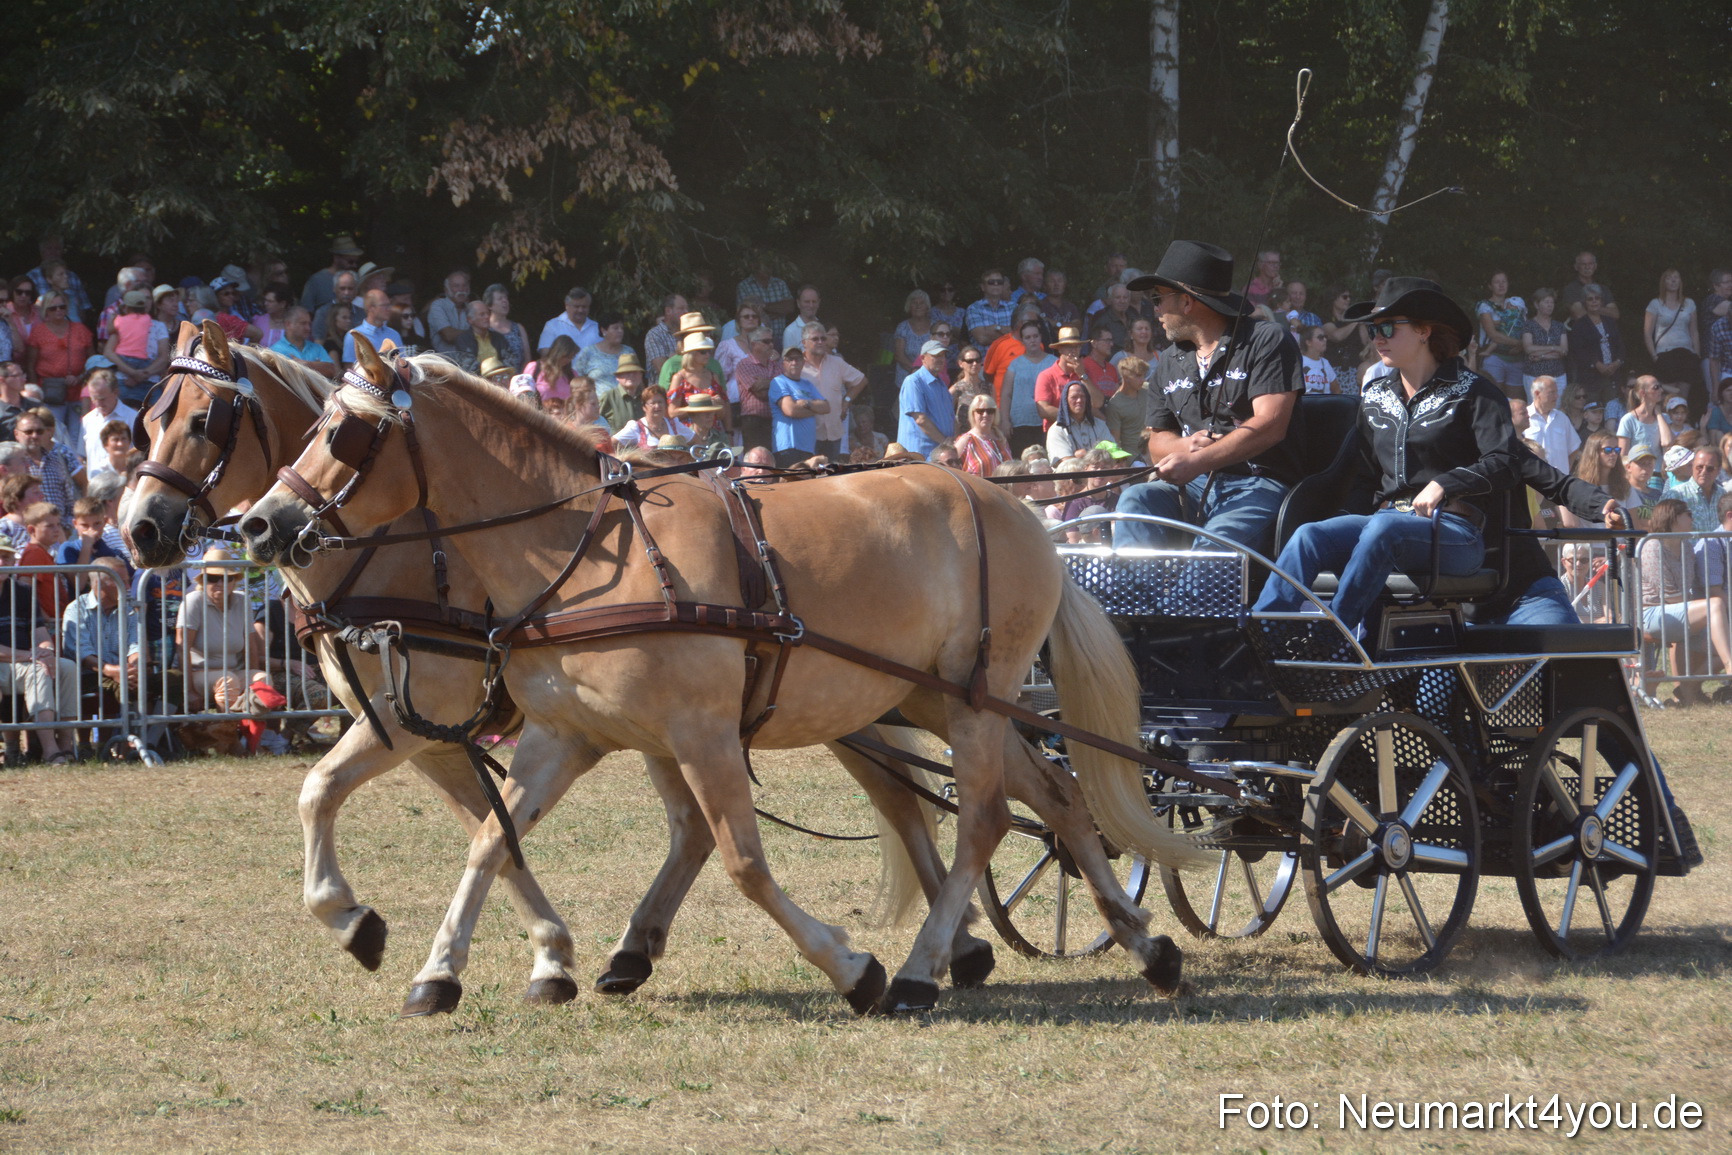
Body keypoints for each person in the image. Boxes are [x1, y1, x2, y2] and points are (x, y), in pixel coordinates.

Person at [1254, 277, 1516, 633]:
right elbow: (1358, 474)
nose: (1377, 337)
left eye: (1388, 327)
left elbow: (1505, 462)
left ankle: (1336, 637)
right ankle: (1266, 632)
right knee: (1309, 536)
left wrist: (1445, 484)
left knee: (1383, 528)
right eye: (1374, 328)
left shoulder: (1477, 393)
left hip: (1456, 532)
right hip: (1385, 523)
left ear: (1424, 331)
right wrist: (1342, 523)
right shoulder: (1375, 395)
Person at [1113, 241, 1302, 551]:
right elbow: (1157, 440)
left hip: (1258, 484)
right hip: (1192, 486)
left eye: (1158, 298)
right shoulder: (1168, 361)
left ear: (1187, 303)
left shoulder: (1265, 340)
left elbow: (1271, 423)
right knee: (1135, 497)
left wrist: (1199, 460)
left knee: (1210, 555)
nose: (1155, 309)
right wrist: (1184, 446)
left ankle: (1187, 599)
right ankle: (1134, 596)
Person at [1639, 498, 1732, 707]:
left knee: (1724, 630)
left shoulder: (1687, 548)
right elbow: (1669, 595)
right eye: (1687, 513)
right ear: (1672, 518)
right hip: (1650, 615)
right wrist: (1701, 610)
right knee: (1715, 605)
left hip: (1677, 611)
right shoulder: (1652, 546)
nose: (1692, 517)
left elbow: (1684, 594)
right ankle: (1729, 666)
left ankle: (1688, 689)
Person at [0, 560, 81, 764]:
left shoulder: (23, 591)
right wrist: (31, 656)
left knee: (68, 667)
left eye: (6, 556)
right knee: (38, 670)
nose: (2, 562)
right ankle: (49, 750)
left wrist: (47, 651)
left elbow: (40, 633)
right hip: (14, 662)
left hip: (24, 661)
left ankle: (66, 746)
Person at [61, 554, 140, 722]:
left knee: (173, 679)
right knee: (123, 686)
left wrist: (134, 668)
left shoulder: (130, 609)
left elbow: (135, 645)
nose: (127, 586)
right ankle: (110, 744)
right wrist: (112, 671)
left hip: (123, 672)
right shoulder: (76, 609)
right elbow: (81, 653)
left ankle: (150, 739)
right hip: (87, 675)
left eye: (128, 580)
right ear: (99, 584)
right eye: (120, 581)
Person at [798, 325, 863, 459]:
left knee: (830, 476)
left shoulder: (836, 362)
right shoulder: (796, 365)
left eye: (823, 338)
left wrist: (846, 403)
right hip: (807, 434)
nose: (820, 342)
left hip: (833, 432)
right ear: (804, 343)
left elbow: (861, 380)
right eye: (815, 339)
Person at [15, 411, 82, 530]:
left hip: (59, 533)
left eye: (39, 431)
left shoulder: (57, 460)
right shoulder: (14, 464)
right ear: (17, 434)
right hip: (26, 533)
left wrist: (66, 528)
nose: (35, 436)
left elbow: (69, 499)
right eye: (28, 432)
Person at [1646, 268, 1701, 410]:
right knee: (1668, 396)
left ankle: (1681, 427)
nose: (1673, 281)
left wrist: (1697, 354)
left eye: (1676, 277)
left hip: (1686, 353)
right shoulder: (1655, 304)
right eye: (1669, 278)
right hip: (1665, 353)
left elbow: (1694, 331)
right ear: (1663, 282)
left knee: (1683, 397)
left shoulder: (1689, 303)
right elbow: (1647, 332)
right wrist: (1654, 356)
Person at [999, 319, 1056, 453]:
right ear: (1022, 340)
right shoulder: (1015, 364)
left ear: (1041, 337)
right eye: (1028, 337)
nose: (1032, 340)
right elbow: (1006, 394)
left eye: (1035, 336)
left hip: (1047, 423)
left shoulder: (1053, 362)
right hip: (1020, 424)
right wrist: (1005, 420)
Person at [895, 340, 956, 459]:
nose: (941, 359)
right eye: (936, 355)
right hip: (918, 455)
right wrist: (945, 443)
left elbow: (951, 417)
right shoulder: (913, 381)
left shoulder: (941, 384)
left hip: (937, 455)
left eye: (943, 355)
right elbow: (920, 420)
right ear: (923, 358)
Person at [769, 347, 827, 467]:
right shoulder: (778, 382)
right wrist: (814, 410)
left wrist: (806, 404)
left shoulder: (808, 384)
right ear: (783, 363)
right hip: (787, 447)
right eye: (790, 359)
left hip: (808, 448)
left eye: (798, 359)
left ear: (803, 362)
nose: (794, 363)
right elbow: (791, 410)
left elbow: (826, 407)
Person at [1474, 271, 1527, 396]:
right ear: (1490, 286)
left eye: (1504, 281)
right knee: (1494, 396)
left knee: (1515, 401)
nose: (1501, 285)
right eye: (1497, 282)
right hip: (1494, 356)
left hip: (1516, 358)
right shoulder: (1484, 306)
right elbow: (1493, 334)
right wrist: (1520, 344)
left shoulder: (1516, 303)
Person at [77, 371, 135, 469]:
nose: (98, 403)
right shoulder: (88, 420)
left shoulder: (132, 418)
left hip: (123, 481)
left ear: (116, 392)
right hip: (95, 482)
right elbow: (82, 456)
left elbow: (139, 455)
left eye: (102, 399)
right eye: (94, 398)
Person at [1520, 287, 1569, 400]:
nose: (1550, 305)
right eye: (1546, 302)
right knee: (1536, 409)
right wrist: (1554, 348)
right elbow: (1528, 349)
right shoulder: (1529, 325)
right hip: (1534, 375)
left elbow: (1564, 350)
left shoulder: (1559, 326)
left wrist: (1541, 355)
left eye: (1552, 302)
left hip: (1558, 375)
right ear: (1537, 305)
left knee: (1557, 410)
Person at [1046, 380, 1113, 460]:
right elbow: (1064, 463)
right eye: (1074, 397)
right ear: (1065, 401)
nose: (1079, 400)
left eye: (1082, 396)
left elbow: (1113, 454)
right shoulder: (1057, 430)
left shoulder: (1100, 425)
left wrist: (1081, 457)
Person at [570, 312, 633, 396]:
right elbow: (577, 381)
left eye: (622, 328)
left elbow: (638, 379)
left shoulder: (628, 352)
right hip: (597, 405)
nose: (620, 331)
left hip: (626, 403)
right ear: (603, 330)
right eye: (615, 328)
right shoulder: (588, 352)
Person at [1663, 448, 1725, 532]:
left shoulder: (1723, 496)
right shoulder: (1675, 495)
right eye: (1699, 467)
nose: (1704, 471)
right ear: (1692, 466)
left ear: (1718, 470)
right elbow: (1662, 528)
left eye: (1710, 468)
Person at [1525, 376, 1578, 473]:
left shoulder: (1562, 418)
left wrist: (1565, 470)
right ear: (1538, 394)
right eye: (1552, 392)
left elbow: (1574, 447)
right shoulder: (1525, 417)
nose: (1557, 396)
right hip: (1533, 481)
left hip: (1560, 483)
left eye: (1556, 392)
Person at [1320, 285, 1366, 395]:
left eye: (1349, 297)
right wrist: (1356, 321)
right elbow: (1336, 336)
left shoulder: (1352, 321)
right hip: (1335, 370)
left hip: (1354, 370)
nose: (1348, 300)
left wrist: (1361, 322)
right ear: (1334, 299)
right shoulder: (1326, 319)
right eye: (1344, 297)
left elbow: (1365, 342)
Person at [268, 307, 337, 379]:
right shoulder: (275, 351)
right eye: (303, 323)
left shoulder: (317, 348)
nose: (308, 328)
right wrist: (318, 366)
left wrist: (308, 364)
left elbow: (332, 370)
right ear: (288, 324)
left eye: (309, 324)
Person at [952, 393, 1011, 477]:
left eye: (990, 411)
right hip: (978, 489)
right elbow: (952, 469)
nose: (985, 415)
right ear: (973, 414)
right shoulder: (966, 440)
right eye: (980, 411)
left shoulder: (1001, 438)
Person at [300, 235, 363, 313]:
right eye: (350, 261)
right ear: (336, 258)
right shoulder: (316, 280)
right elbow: (306, 310)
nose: (354, 265)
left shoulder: (357, 279)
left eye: (356, 262)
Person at [1101, 355, 1148, 459]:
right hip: (1133, 458)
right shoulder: (1115, 404)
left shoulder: (1147, 391)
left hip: (1153, 452)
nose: (1142, 380)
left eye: (1143, 376)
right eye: (1138, 376)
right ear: (1126, 378)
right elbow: (1115, 441)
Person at [736, 263, 795, 346]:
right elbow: (746, 311)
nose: (768, 269)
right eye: (765, 265)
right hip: (756, 341)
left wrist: (763, 308)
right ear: (754, 266)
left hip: (780, 339)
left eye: (770, 265)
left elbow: (789, 307)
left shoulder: (780, 283)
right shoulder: (744, 286)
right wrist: (779, 311)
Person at [341, 290, 404, 366]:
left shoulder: (394, 334)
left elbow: (402, 364)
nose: (389, 309)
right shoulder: (354, 336)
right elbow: (350, 368)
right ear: (371, 308)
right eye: (384, 305)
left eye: (389, 305)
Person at [1616, 375, 1675, 455]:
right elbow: (1623, 455)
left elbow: (1667, 442)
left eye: (1660, 386)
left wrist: (1659, 414)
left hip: (1659, 467)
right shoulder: (1628, 420)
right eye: (1656, 387)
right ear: (1642, 392)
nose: (1661, 390)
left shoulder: (1664, 417)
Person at [535, 286, 600, 356]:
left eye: (584, 307)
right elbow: (546, 355)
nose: (580, 310)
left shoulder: (597, 328)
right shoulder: (552, 326)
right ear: (567, 305)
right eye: (576, 306)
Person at [479, 284, 530, 371]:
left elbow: (527, 359)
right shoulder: (483, 329)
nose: (505, 301)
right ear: (489, 305)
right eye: (500, 299)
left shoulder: (518, 328)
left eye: (505, 298)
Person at [1560, 250, 1618, 320]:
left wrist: (1590, 308)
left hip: (1605, 329)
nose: (1587, 267)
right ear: (1576, 267)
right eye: (1583, 264)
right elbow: (1579, 314)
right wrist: (1602, 310)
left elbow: (1615, 314)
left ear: (1595, 266)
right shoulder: (1571, 289)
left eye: (1590, 264)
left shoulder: (1603, 289)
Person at [598, 354, 649, 432]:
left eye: (635, 372)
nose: (631, 375)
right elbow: (594, 422)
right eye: (627, 372)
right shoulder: (608, 397)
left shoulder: (647, 396)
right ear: (618, 377)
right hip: (618, 443)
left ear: (641, 375)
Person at [965, 270, 1015, 350]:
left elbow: (1020, 333)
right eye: (991, 282)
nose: (996, 284)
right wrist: (1009, 333)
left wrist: (997, 328)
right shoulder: (974, 308)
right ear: (983, 287)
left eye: (999, 282)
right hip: (984, 361)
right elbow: (982, 338)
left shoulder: (1014, 307)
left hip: (1010, 360)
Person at [524, 335, 578, 408]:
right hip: (537, 415)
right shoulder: (535, 368)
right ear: (557, 353)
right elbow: (523, 394)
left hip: (564, 416)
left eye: (571, 357)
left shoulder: (572, 375)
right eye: (566, 356)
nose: (568, 360)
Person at [425, 270, 471, 356]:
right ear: (446, 290)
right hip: (445, 364)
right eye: (456, 286)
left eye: (464, 285)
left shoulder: (472, 307)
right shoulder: (438, 305)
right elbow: (448, 336)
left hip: (470, 362)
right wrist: (476, 331)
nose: (461, 289)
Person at [310, 270, 359, 341]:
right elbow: (318, 342)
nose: (346, 293)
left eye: (350, 289)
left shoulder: (362, 313)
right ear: (334, 289)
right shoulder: (323, 313)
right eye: (342, 288)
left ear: (356, 291)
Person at [781, 285, 824, 353]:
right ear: (798, 303)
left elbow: (833, 353)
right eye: (807, 302)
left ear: (819, 303)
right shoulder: (790, 331)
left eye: (814, 301)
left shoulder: (825, 327)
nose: (811, 305)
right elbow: (789, 360)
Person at [1079, 328, 1120, 397]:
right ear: (1094, 343)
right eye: (1107, 341)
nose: (1111, 344)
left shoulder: (1112, 368)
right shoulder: (1083, 365)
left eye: (1111, 340)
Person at [1298, 326, 1334, 394]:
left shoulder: (1325, 363)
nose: (1325, 340)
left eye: (1325, 337)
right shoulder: (1298, 362)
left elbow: (1337, 390)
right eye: (1320, 337)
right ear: (1308, 342)